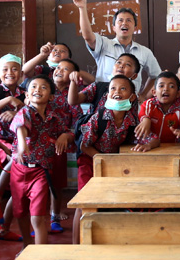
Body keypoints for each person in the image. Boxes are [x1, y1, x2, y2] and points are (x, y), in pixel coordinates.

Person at [72, 74, 138, 244]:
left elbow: (149, 138)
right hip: (89, 162)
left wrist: (149, 143)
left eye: (123, 88)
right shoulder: (99, 117)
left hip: (112, 167)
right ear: (107, 95)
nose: (117, 92)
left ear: (132, 97)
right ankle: (76, 247)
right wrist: (104, 160)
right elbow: (84, 146)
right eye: (113, 89)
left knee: (109, 203)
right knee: (84, 204)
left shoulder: (132, 119)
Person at [9, 75, 69, 249]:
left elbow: (67, 132)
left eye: (43, 87)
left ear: (51, 97)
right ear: (27, 95)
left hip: (41, 171)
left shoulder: (54, 117)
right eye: (33, 87)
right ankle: (26, 245)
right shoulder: (25, 111)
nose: (38, 90)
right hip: (20, 170)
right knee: (20, 213)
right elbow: (20, 127)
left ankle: (40, 254)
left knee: (37, 217)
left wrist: (65, 135)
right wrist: (21, 144)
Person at [72, 0, 161, 100]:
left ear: (135, 27)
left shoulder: (145, 52)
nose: (124, 23)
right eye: (120, 20)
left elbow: (156, 75)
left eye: (129, 20)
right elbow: (87, 36)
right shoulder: (104, 43)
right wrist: (82, 8)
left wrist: (143, 95)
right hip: (104, 102)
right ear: (114, 27)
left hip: (130, 104)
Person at [0, 54, 26, 242]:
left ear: (21, 73)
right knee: (16, 158)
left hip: (18, 140)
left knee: (18, 186)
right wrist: (8, 101)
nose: (10, 73)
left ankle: (4, 229)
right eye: (5, 70)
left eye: (14, 69)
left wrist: (16, 110)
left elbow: (30, 111)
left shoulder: (24, 92)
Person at [46, 58, 83, 232]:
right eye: (58, 67)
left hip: (58, 143)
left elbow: (78, 124)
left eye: (66, 68)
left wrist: (66, 135)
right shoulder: (43, 86)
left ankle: (55, 216)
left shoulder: (71, 94)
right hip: (37, 141)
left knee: (56, 183)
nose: (60, 70)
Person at [68, 53, 141, 118]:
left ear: (134, 76)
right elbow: (73, 101)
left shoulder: (132, 96)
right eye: (119, 62)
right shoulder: (98, 86)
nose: (121, 66)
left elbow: (132, 122)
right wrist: (73, 81)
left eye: (128, 64)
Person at [135, 71, 180, 145]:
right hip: (147, 147)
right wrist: (146, 120)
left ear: (178, 93)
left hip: (168, 149)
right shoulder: (150, 104)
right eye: (161, 86)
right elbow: (143, 113)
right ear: (154, 92)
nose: (166, 89)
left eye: (171, 86)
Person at [22, 42, 94, 85]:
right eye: (54, 50)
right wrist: (42, 55)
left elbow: (92, 81)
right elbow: (25, 71)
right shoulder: (42, 70)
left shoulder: (72, 73)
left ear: (69, 59)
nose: (57, 52)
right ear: (48, 57)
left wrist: (69, 68)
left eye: (63, 51)